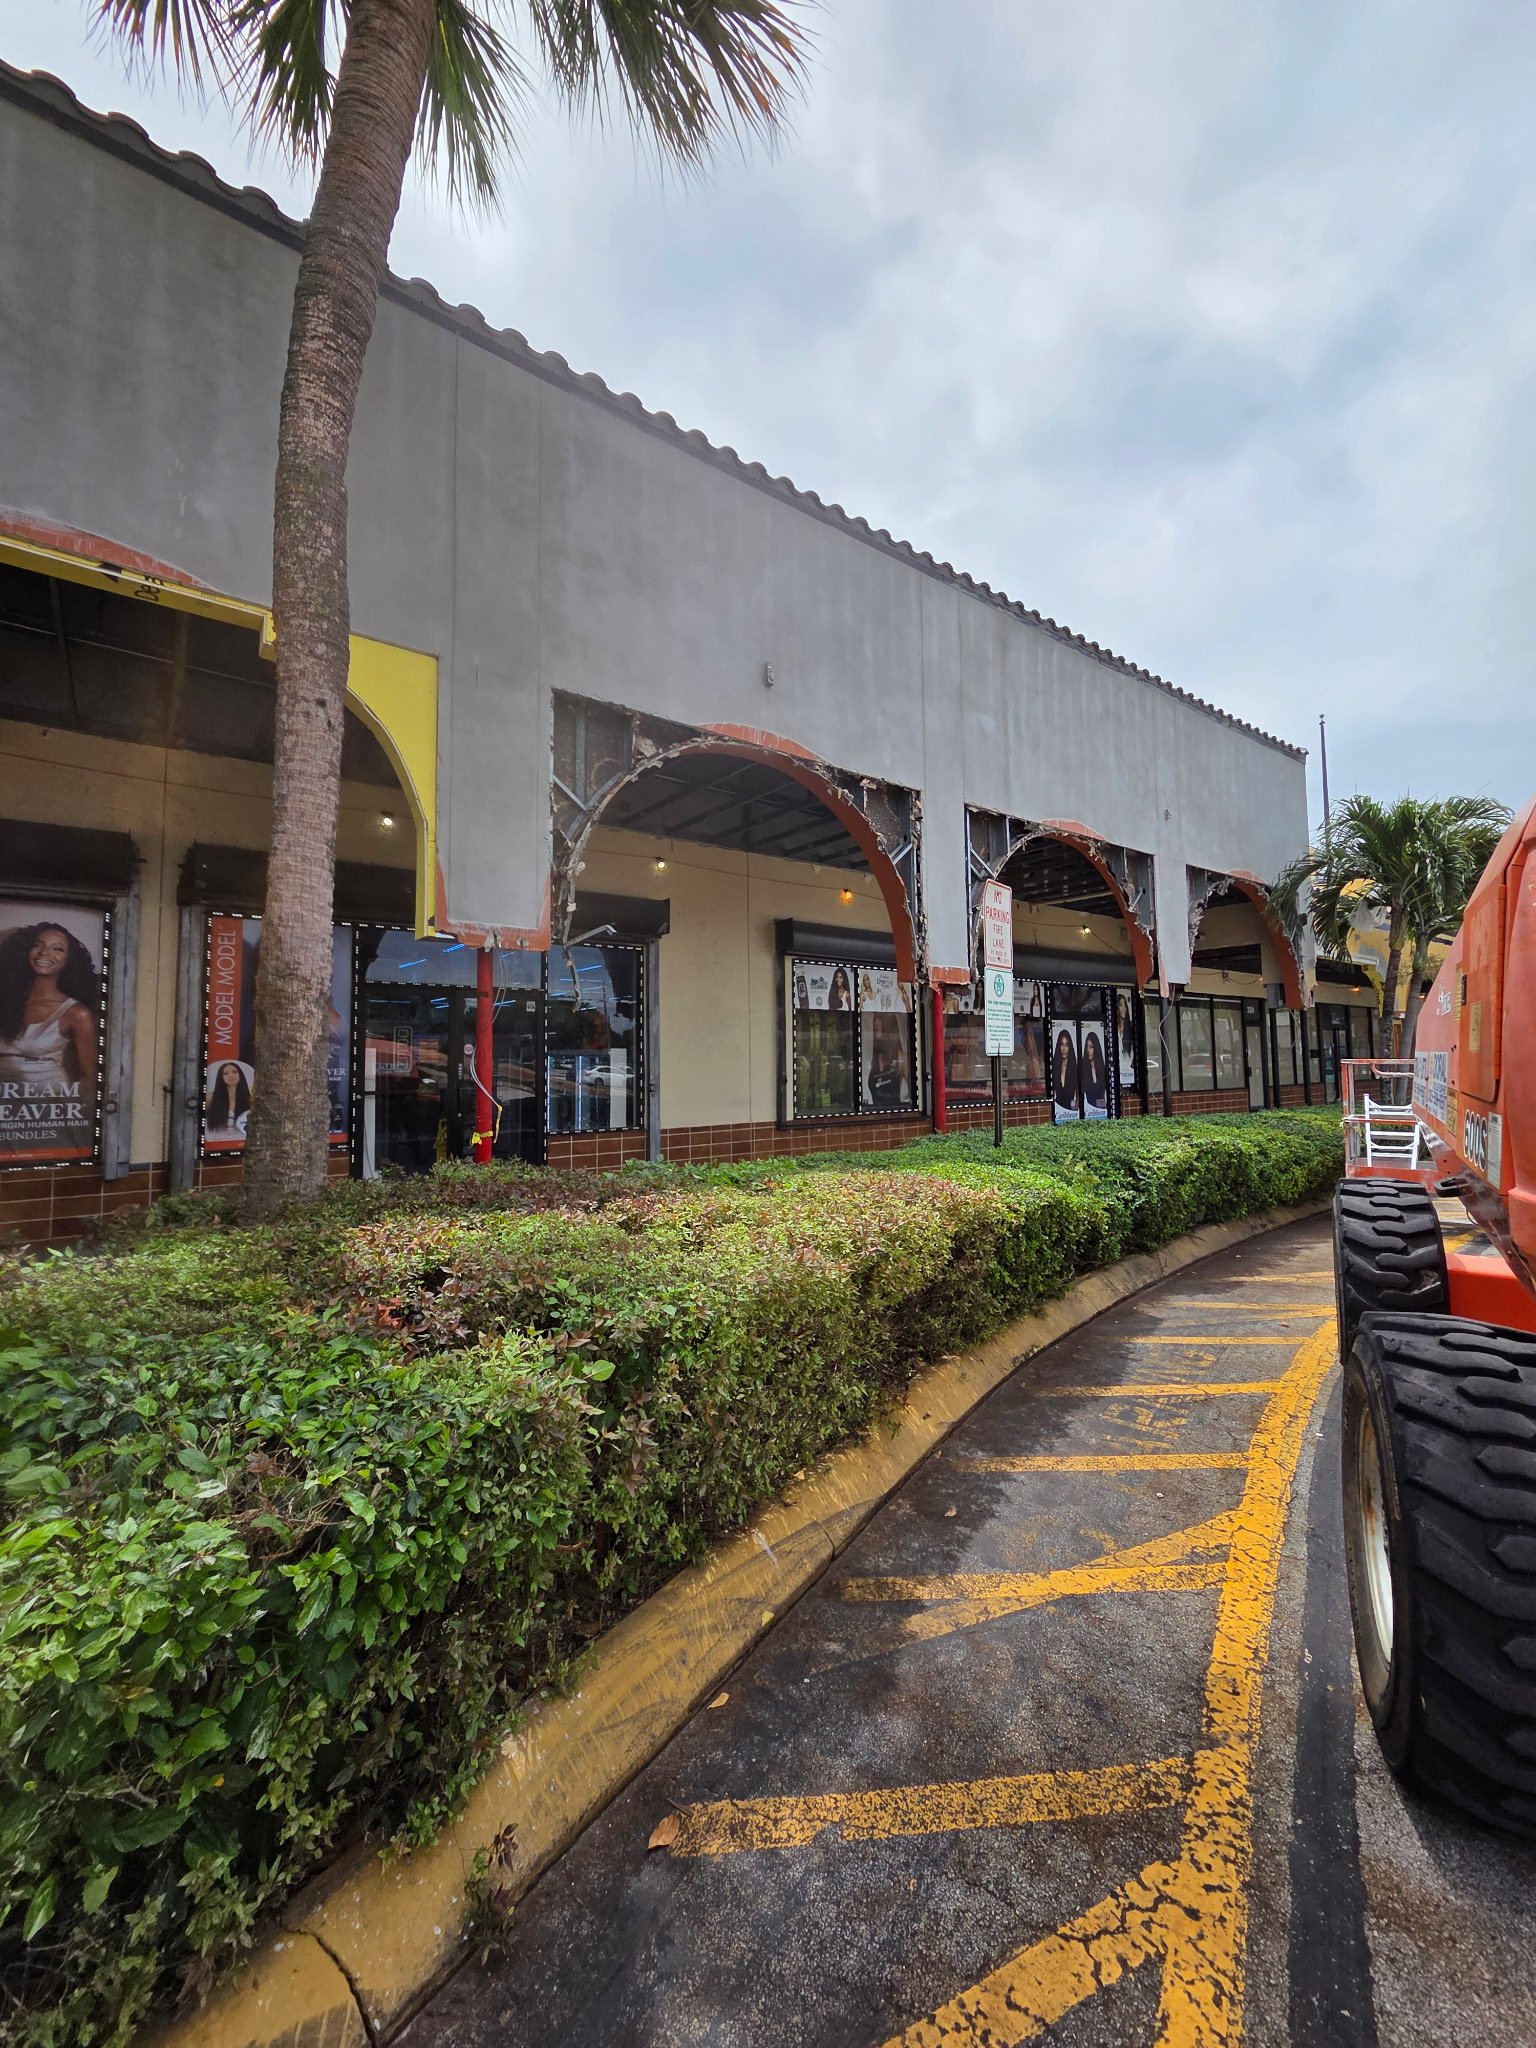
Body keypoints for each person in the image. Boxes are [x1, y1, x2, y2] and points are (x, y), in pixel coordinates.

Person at [0, 920, 99, 1105]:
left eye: (58, 949)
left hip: (48, 1108)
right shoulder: (5, 1000)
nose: (44, 953)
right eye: (38, 945)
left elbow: (90, 1078)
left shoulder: (76, 1013)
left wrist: (70, 1111)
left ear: (69, 959)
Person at [206, 1060, 252, 1135]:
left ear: (240, 1074)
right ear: (221, 1077)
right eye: (226, 1073)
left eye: (234, 1072)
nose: (231, 1075)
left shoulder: (250, 1098)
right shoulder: (210, 1098)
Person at [1052, 1027, 1079, 1113]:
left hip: (1072, 1110)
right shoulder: (1055, 1066)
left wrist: (1077, 1105)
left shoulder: (1075, 1066)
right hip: (1058, 1108)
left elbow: (1078, 1089)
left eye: (1067, 1045)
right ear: (1058, 1046)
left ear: (1070, 1047)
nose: (1064, 1048)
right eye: (1061, 1044)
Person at [1081, 1028, 1108, 1109]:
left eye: (1091, 1047)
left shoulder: (1102, 1067)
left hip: (1101, 1108)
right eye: (1087, 1047)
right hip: (1088, 1108)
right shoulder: (1084, 1067)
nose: (1088, 1050)